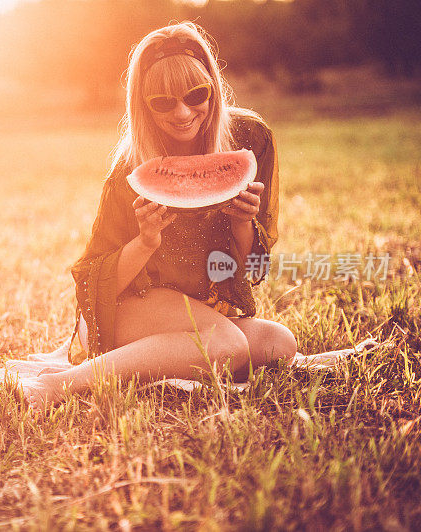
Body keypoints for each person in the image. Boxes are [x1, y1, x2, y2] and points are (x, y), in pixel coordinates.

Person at [21, 22, 297, 409]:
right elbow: (94, 284)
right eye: (163, 102)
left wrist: (240, 222)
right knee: (227, 344)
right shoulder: (129, 171)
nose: (183, 112)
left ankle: (174, 357)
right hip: (125, 309)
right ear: (143, 105)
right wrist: (145, 241)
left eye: (196, 94)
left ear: (213, 88)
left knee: (278, 344)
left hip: (200, 310)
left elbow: (248, 267)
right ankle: (63, 383)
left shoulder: (251, 140)